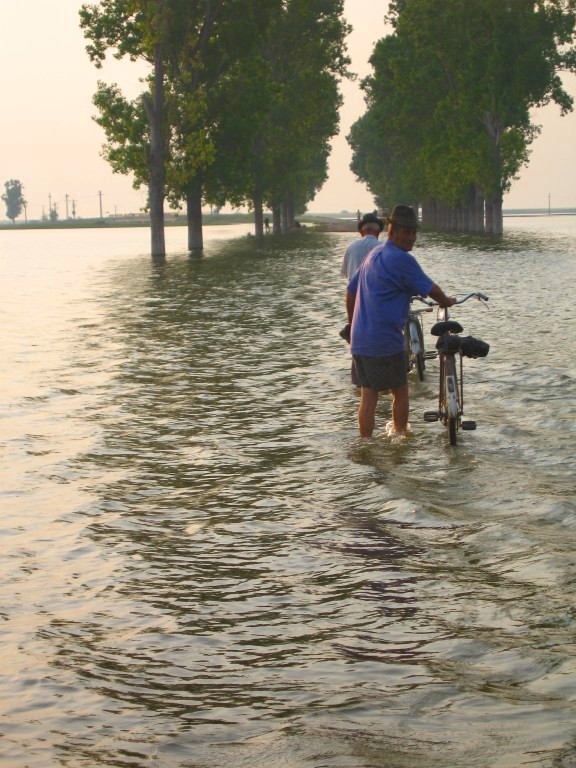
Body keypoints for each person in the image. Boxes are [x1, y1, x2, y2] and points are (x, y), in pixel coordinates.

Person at [346, 204, 456, 439]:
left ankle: (365, 444)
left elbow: (350, 290)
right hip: (384, 340)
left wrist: (351, 324)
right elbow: (431, 289)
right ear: (392, 231)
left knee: (368, 395)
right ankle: (399, 440)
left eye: (414, 232)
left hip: (360, 340)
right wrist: (447, 301)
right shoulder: (400, 259)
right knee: (401, 390)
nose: (411, 237)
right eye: (406, 232)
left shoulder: (373, 255)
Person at [340, 212, 384, 280]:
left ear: (361, 231)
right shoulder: (383, 248)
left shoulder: (351, 247)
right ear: (378, 231)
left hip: (354, 290)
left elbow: (344, 273)